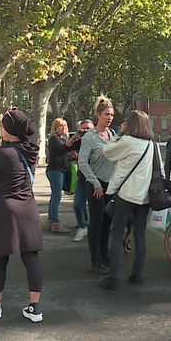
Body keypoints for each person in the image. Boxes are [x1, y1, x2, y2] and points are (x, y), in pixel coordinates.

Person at [0, 108, 44, 322]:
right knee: (31, 257)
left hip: (4, 210)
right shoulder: (31, 151)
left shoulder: (5, 154)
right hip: (27, 207)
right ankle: (35, 308)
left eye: (2, 125)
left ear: (9, 129)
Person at [97, 111, 155, 290]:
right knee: (140, 235)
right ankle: (137, 274)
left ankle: (113, 277)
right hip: (143, 197)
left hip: (125, 195)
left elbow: (107, 151)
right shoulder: (150, 144)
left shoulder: (127, 141)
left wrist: (120, 133)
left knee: (116, 234)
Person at [78, 96, 116, 274]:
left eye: (112, 115)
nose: (109, 118)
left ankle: (105, 255)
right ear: (98, 115)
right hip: (96, 185)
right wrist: (95, 184)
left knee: (108, 222)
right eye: (106, 114)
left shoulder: (113, 135)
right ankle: (95, 260)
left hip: (112, 185)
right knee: (97, 222)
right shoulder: (90, 137)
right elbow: (83, 162)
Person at [46, 118, 77, 233]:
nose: (63, 128)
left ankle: (51, 220)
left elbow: (62, 153)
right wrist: (75, 137)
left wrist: (70, 155)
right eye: (60, 126)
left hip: (59, 170)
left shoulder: (62, 139)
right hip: (55, 171)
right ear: (55, 128)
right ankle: (55, 222)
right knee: (57, 196)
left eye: (64, 126)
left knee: (55, 196)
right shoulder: (54, 139)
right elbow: (63, 148)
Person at [70, 119, 94, 242]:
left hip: (96, 179)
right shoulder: (79, 141)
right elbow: (66, 148)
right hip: (82, 178)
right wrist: (76, 135)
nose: (86, 131)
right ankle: (83, 225)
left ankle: (99, 228)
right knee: (78, 204)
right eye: (83, 129)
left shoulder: (97, 141)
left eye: (88, 129)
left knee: (98, 207)